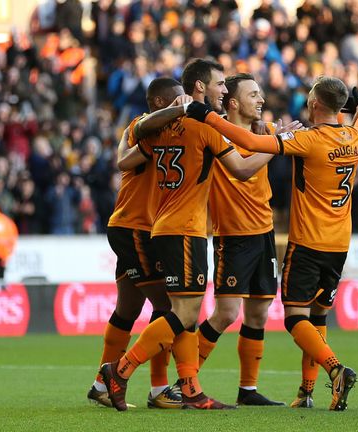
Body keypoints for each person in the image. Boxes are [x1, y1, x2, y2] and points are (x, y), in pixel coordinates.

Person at [185, 76, 358, 411]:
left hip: (304, 241)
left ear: (315, 105)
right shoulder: (354, 135)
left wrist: (204, 113)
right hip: (334, 242)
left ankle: (331, 372)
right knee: (316, 318)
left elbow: (251, 143)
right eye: (253, 94)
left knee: (292, 318)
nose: (260, 99)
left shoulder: (305, 139)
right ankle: (306, 392)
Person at [100, 59, 274, 411]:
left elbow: (127, 160)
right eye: (220, 84)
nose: (223, 91)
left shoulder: (159, 129)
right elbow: (240, 169)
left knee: (183, 312)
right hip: (186, 229)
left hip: (161, 227)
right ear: (199, 88)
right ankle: (120, 371)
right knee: (181, 313)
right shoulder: (206, 129)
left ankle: (190, 388)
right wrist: (274, 144)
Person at [195, 73, 299, 406]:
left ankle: (248, 390)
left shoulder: (268, 131)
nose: (262, 99)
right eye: (254, 94)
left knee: (258, 314)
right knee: (225, 313)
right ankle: (186, 380)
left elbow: (295, 140)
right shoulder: (218, 134)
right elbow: (243, 168)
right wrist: (277, 144)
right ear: (235, 103)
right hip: (232, 235)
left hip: (264, 234)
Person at [86, 78, 188, 410]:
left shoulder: (172, 133)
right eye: (175, 102)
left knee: (128, 309)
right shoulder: (140, 126)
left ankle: (101, 384)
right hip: (135, 228)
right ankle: (158, 389)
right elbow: (142, 128)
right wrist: (183, 109)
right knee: (169, 307)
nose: (180, 106)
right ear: (159, 103)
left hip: (139, 228)